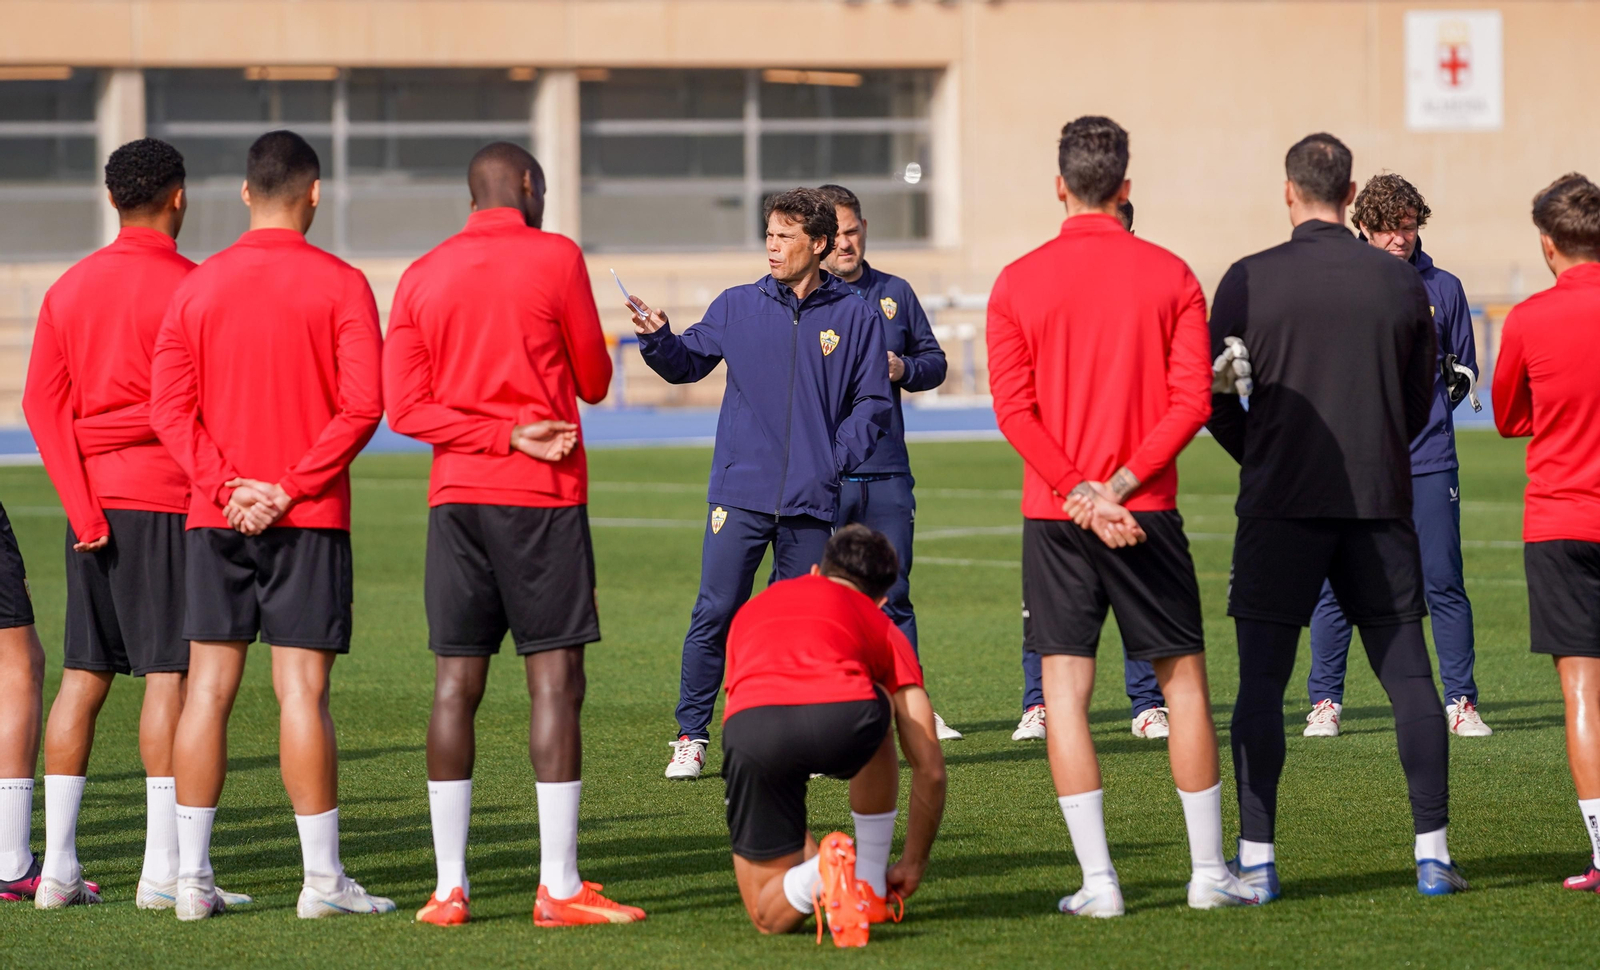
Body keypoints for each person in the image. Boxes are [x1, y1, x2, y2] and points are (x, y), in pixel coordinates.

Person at [987, 115, 1261, 916]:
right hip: (1147, 511)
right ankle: (1208, 873)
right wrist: (1121, 484)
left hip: (1057, 515)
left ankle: (1100, 883)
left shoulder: (1016, 280)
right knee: (1183, 690)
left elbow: (1014, 410)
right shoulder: (1171, 274)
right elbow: (1192, 401)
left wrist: (1080, 490)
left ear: (1061, 186)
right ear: (1127, 187)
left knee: (1064, 695)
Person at [383, 143, 644, 927]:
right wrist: (518, 429)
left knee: (455, 687)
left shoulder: (419, 274)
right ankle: (558, 887)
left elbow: (405, 411)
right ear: (529, 186)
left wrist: (490, 432)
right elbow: (595, 382)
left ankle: (448, 889)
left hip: (456, 500)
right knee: (555, 683)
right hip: (542, 498)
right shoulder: (556, 254)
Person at [1208, 133, 1463, 899]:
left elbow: (1213, 398)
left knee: (1260, 684)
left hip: (1281, 505)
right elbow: (1422, 399)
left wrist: (1261, 451)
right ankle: (1433, 854)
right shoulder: (1398, 282)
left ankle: (1257, 860)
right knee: (1412, 677)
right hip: (1377, 501)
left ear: (1288, 191)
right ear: (1351, 195)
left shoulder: (1248, 278)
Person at [149, 129, 391, 920]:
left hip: (213, 514)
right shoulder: (344, 283)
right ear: (314, 192)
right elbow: (364, 405)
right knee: (302, 693)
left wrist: (226, 488)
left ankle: (190, 882)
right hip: (308, 515)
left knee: (207, 692)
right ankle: (321, 883)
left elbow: (167, 409)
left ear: (246, 193)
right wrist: (284, 491)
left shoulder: (198, 284)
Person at [20, 138, 245, 911]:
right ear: (178, 197)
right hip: (171, 501)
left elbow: (41, 406)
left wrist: (80, 505)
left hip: (94, 504)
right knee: (167, 675)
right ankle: (159, 872)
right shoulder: (197, 286)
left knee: (83, 675)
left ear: (112, 198)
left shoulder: (70, 287)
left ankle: (54, 872)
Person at [628, 188, 893, 780]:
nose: (772, 246)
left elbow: (873, 402)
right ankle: (691, 736)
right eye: (769, 234)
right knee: (715, 612)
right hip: (738, 495)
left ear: (818, 244)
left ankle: (798, 738)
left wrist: (830, 460)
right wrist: (658, 337)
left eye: (785, 236)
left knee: (802, 624)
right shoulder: (735, 306)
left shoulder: (855, 314)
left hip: (811, 500)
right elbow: (685, 363)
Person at [1303, 173, 1489, 739]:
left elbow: (1463, 370)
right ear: (1362, 227)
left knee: (1443, 581)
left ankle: (1460, 701)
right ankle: (1325, 703)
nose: (1399, 239)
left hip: (1429, 458)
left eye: (1407, 227)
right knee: (1337, 586)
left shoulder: (1445, 287)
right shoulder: (1334, 282)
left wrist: (1445, 389)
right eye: (1387, 229)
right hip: (1354, 464)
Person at [720, 525, 945, 947]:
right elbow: (928, 765)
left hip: (752, 730)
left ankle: (824, 872)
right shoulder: (882, 626)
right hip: (847, 717)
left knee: (769, 916)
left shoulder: (755, 608)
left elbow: (739, 711)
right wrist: (913, 863)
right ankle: (871, 886)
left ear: (815, 570)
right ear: (881, 600)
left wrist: (813, 854)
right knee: (879, 693)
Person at [1014, 196, 1168, 744]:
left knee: (1142, 613)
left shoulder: (1157, 283)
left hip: (1131, 492)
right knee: (1049, 626)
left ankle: (1147, 704)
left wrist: (1116, 486)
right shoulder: (1043, 283)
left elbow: (1185, 397)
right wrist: (1082, 488)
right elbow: (1018, 404)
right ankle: (1037, 705)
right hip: (1062, 495)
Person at [814, 182, 961, 741]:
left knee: (894, 593)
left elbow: (935, 362)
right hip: (826, 476)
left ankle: (912, 707)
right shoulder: (806, 302)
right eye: (838, 235)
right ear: (820, 240)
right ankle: (835, 709)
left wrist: (906, 370)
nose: (847, 243)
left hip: (888, 472)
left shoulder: (895, 291)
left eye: (855, 231)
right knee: (829, 598)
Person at [1492, 172, 1600, 893]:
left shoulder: (1528, 318)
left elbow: (1507, 415)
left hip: (1561, 519)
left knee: (1583, 691)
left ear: (1546, 244)